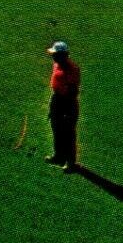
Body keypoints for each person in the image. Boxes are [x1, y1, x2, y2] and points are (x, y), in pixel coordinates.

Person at [45, 41, 81, 170]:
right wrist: (52, 106)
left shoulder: (73, 69)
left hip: (67, 102)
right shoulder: (57, 64)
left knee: (68, 133)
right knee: (56, 129)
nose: (53, 57)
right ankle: (59, 155)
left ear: (63, 55)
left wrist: (66, 112)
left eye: (55, 54)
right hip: (57, 99)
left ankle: (70, 162)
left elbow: (73, 91)